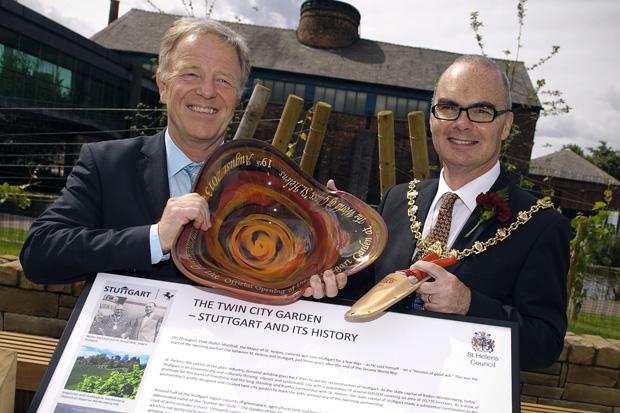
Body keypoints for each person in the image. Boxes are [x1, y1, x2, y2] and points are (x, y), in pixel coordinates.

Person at [18, 17, 341, 297]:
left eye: (224, 80)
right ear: (162, 85)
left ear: (238, 95)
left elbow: (301, 279)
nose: (207, 91)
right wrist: (156, 237)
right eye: (190, 74)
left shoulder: (272, 182)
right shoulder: (107, 164)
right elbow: (40, 254)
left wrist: (330, 250)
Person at [318, 55, 570, 370]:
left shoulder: (541, 225)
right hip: (375, 382)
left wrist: (469, 305)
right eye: (449, 107)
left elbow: (544, 344)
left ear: (506, 126)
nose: (462, 123)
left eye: (481, 110)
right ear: (432, 118)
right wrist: (335, 256)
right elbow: (361, 295)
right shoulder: (397, 200)